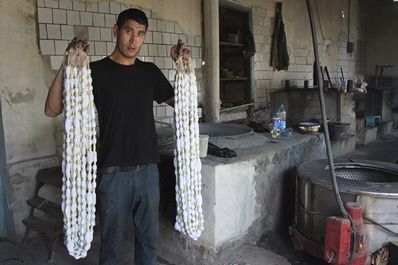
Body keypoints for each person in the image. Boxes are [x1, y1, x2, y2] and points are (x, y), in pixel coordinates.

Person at [44, 8, 189, 265]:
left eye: (140, 34)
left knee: (148, 242)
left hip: (148, 171)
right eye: (128, 31)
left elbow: (183, 104)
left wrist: (182, 68)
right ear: (116, 31)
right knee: (110, 246)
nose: (134, 40)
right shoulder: (95, 72)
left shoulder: (150, 72)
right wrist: (66, 63)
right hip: (113, 173)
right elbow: (52, 109)